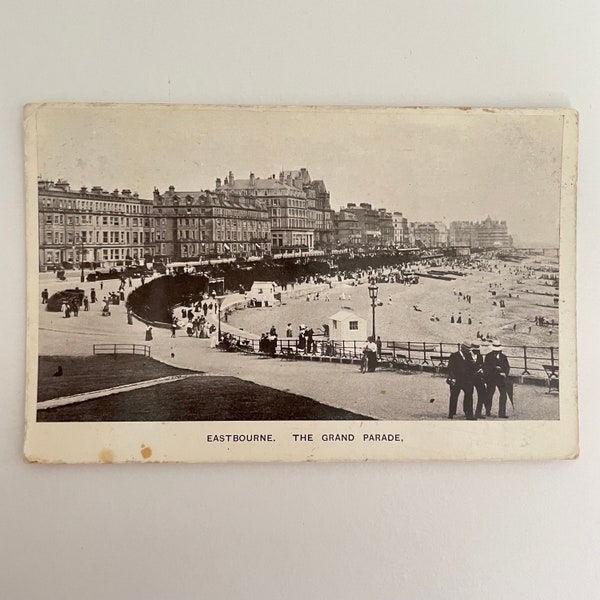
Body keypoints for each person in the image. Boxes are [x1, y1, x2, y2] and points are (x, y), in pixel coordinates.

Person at [446, 341, 476, 420]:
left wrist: (474, 363)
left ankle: (469, 414)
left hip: (467, 380)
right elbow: (450, 368)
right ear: (462, 349)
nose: (469, 352)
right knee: (454, 396)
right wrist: (452, 378)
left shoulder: (469, 355)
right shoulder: (454, 355)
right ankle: (451, 413)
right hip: (457, 380)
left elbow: (471, 368)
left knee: (469, 396)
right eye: (468, 350)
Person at [484, 341, 511, 418]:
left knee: (503, 395)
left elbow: (507, 367)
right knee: (489, 394)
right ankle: (487, 411)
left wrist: (505, 373)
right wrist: (495, 368)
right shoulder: (488, 356)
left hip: (501, 379)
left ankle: (502, 413)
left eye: (498, 350)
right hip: (491, 378)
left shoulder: (503, 357)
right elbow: (486, 367)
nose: (496, 351)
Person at [472, 343, 491, 419]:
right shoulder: (467, 356)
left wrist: (482, 370)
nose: (477, 351)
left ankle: (478, 413)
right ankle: (468, 412)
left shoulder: (480, 356)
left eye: (478, 350)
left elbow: (482, 365)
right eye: (475, 350)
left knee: (482, 393)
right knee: (468, 395)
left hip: (478, 378)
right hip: (470, 378)